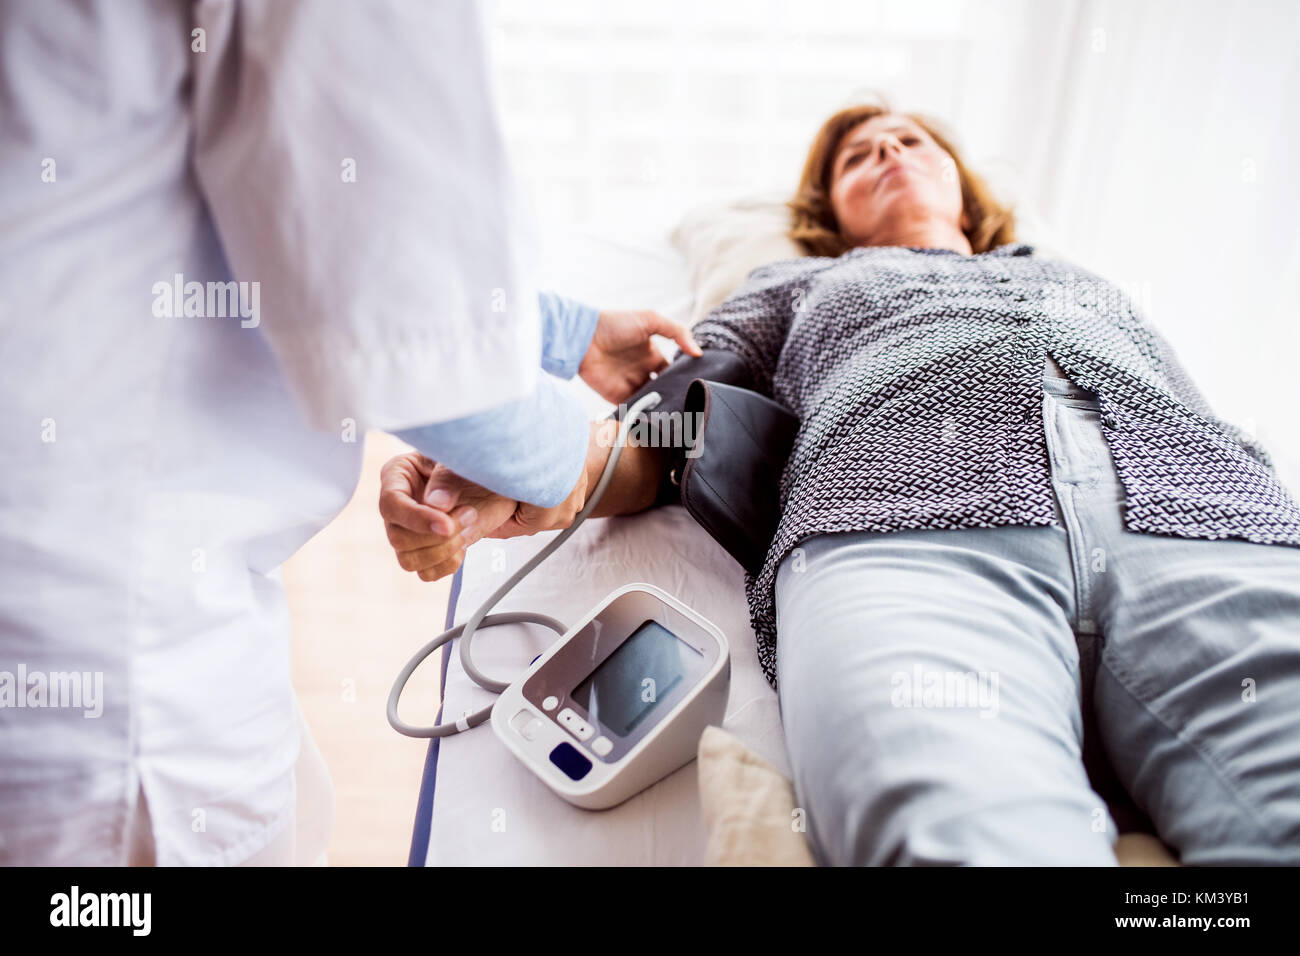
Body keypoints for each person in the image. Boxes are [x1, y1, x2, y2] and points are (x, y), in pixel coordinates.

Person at [381, 103, 1300, 866]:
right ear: (832, 211)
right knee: (958, 839)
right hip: (903, 523)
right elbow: (678, 415)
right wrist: (542, 474)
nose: (890, 154)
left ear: (965, 190)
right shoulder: (796, 284)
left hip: (1206, 516)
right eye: (860, 156)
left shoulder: (1083, 278)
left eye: (911, 142)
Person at [0, 0, 697, 866]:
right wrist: (568, 461)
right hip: (102, 659)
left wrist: (565, 336)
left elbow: (281, 204)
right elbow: (394, 291)